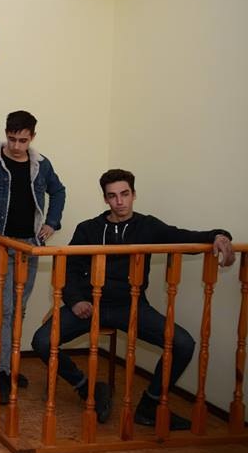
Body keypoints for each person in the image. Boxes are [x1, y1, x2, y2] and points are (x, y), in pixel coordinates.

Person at [31, 168, 235, 430]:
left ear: (133, 194)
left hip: (132, 306)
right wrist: (75, 301)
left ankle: (149, 405)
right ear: (105, 199)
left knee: (183, 343)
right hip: (90, 305)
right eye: (112, 196)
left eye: (125, 194)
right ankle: (87, 388)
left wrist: (219, 235)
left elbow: (184, 236)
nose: (120, 201)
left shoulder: (147, 226)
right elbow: (68, 269)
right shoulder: (88, 229)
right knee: (42, 341)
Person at [0, 110, 66, 404]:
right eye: (12, 139)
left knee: (19, 309)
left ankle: (11, 365)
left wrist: (52, 223)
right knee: (3, 309)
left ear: (32, 137)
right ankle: (3, 372)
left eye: (23, 140)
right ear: (5, 133)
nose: (17, 146)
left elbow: (58, 191)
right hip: (0, 245)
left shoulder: (41, 165)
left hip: (29, 246)